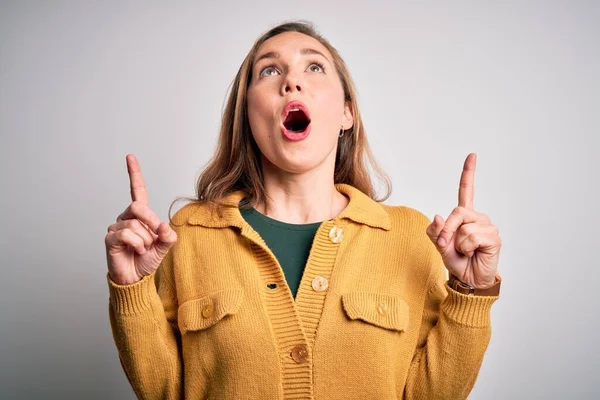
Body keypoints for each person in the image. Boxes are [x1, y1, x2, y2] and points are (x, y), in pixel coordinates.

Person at [105, 20, 502, 400]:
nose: (291, 81)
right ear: (247, 115)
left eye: (314, 66)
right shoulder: (188, 234)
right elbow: (166, 393)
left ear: (346, 112)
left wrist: (472, 290)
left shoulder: (410, 236)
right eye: (268, 71)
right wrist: (130, 288)